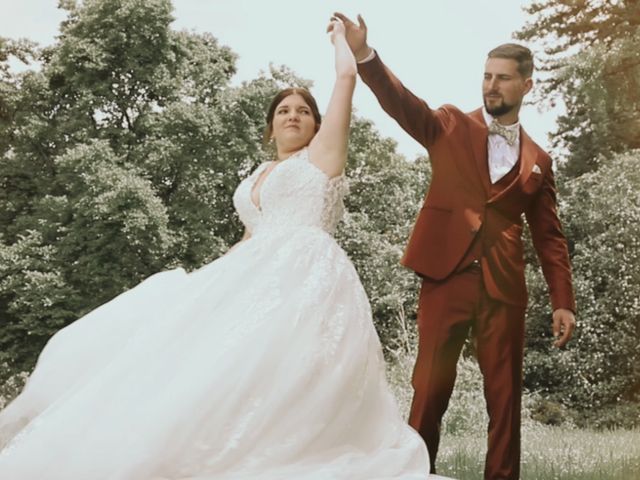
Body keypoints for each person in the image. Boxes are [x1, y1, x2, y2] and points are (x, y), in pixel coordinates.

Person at [0, 19, 431, 479]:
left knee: (284, 369)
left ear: (317, 126)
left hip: (307, 275)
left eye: (303, 111)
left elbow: (346, 80)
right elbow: (249, 236)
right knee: (204, 363)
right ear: (270, 128)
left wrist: (345, 44)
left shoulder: (323, 157)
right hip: (250, 272)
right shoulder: (256, 175)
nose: (292, 116)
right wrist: (204, 283)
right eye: (283, 110)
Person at [330, 12, 577, 480]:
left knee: (504, 401)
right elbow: (403, 104)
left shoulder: (539, 161)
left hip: (504, 289)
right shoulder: (448, 125)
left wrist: (563, 302)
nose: (491, 86)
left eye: (503, 78)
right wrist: (365, 55)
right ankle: (414, 475)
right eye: (486, 76)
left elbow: (550, 238)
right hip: (445, 276)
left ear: (526, 85)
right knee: (428, 390)